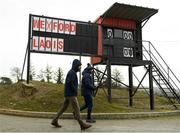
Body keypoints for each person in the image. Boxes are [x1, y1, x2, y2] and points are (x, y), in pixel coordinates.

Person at [51, 59, 92, 130]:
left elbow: (70, 83)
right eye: (79, 66)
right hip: (71, 94)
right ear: (76, 66)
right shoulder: (72, 73)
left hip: (68, 94)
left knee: (63, 108)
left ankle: (54, 120)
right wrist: (75, 90)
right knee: (77, 109)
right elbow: (70, 83)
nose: (80, 67)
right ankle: (82, 124)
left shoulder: (72, 72)